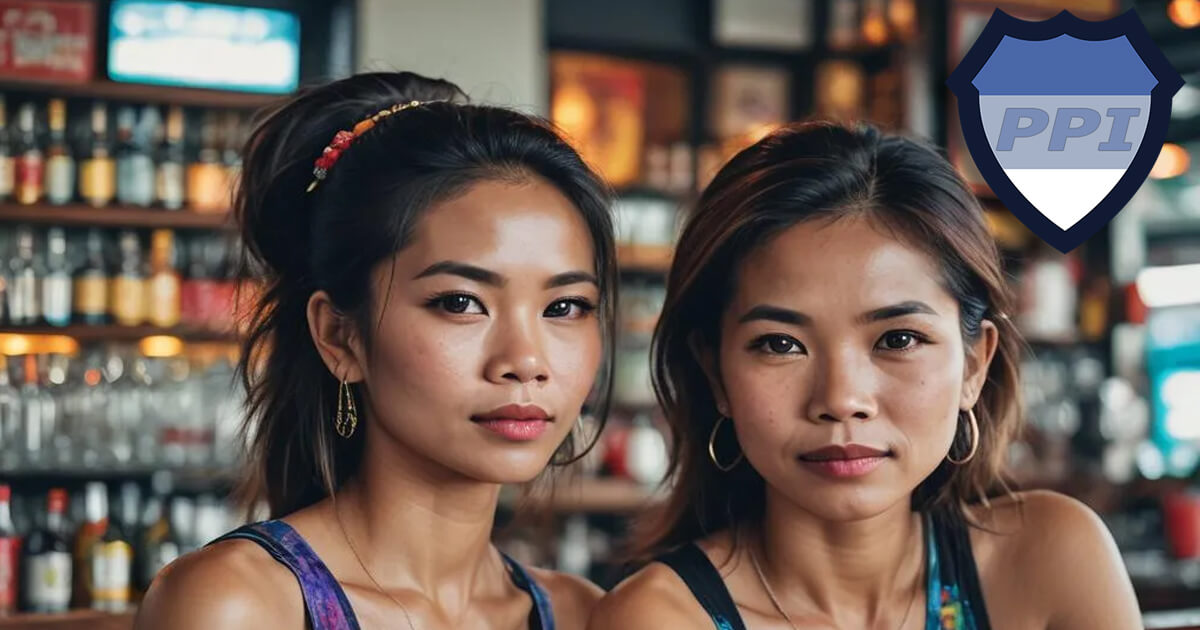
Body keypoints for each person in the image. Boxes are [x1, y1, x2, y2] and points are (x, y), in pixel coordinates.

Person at [590, 122, 1140, 630]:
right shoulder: (657, 618)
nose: (842, 399)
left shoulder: (1052, 561)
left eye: (898, 340)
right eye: (781, 344)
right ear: (716, 375)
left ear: (975, 363)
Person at [136, 71, 617, 630]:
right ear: (340, 336)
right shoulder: (240, 604)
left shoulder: (586, 615)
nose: (526, 362)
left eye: (564, 307)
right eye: (461, 302)